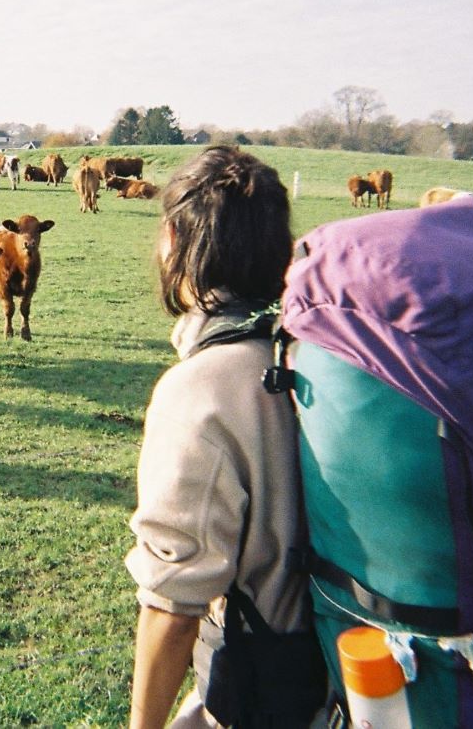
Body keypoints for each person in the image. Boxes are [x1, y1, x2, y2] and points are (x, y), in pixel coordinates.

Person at [126, 146, 310, 728]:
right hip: (360, 678)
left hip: (272, 694)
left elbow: (174, 607)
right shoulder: (317, 354)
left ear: (175, 241)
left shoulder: (199, 390)